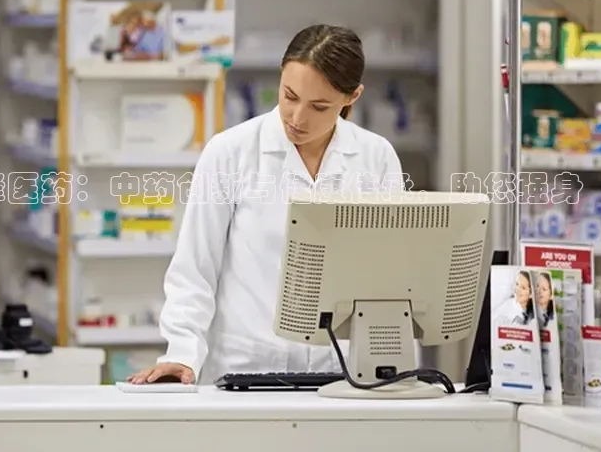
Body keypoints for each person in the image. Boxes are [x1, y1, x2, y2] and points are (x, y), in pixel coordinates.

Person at [128, 24, 405, 385]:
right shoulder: (230, 152)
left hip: (342, 371)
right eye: (290, 96)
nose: (297, 118)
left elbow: (391, 276)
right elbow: (195, 268)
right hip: (247, 367)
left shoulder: (376, 158)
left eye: (319, 106)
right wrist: (182, 353)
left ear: (352, 97)